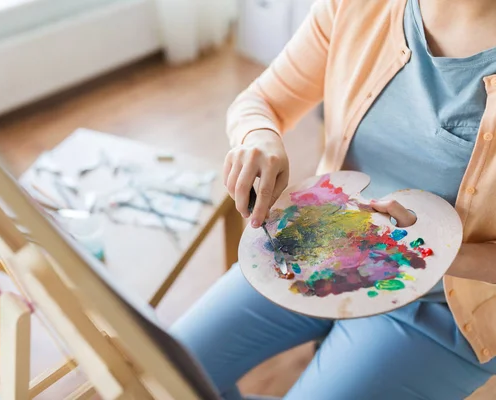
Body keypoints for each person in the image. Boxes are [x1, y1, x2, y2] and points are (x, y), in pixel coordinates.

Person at [171, 0, 496, 399]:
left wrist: (435, 252)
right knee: (167, 371)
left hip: (445, 309)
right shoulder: (358, 6)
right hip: (317, 249)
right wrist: (258, 135)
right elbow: (261, 102)